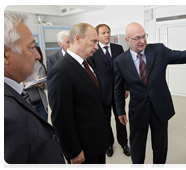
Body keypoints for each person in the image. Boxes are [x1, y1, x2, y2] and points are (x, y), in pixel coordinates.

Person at [114, 22, 186, 168]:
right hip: (138, 110)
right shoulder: (120, 61)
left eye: (144, 36)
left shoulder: (158, 50)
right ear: (128, 40)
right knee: (137, 145)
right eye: (137, 38)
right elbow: (118, 89)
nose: (142, 41)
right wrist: (120, 110)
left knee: (160, 145)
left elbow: (180, 55)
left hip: (160, 107)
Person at [4, 11, 66, 168]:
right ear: (4, 55)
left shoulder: (12, 93)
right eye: (31, 47)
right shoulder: (6, 115)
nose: (38, 55)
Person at [47, 23, 110, 168]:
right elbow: (61, 118)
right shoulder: (60, 71)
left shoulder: (87, 63)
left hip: (98, 141)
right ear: (78, 38)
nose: (97, 47)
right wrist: (72, 151)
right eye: (94, 41)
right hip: (82, 148)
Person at [87, 24, 130, 157]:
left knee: (121, 118)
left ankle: (124, 143)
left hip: (118, 91)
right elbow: (92, 73)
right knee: (105, 120)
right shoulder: (93, 51)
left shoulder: (118, 48)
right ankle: (109, 144)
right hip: (102, 93)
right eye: (103, 33)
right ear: (97, 36)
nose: (107, 35)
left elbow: (126, 69)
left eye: (108, 32)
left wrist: (126, 87)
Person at [22, 46, 48, 121]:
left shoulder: (40, 66)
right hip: (28, 104)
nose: (37, 56)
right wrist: (27, 84)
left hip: (41, 103)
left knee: (43, 128)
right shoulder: (21, 67)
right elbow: (16, 84)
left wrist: (42, 85)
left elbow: (46, 86)